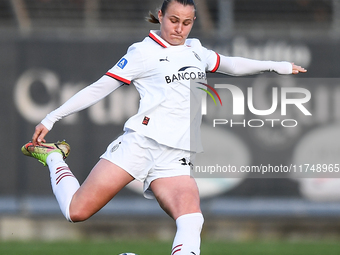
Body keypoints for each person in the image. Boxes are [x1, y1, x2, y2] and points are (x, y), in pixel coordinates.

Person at [21, 0, 306, 254]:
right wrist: (52, 117)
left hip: (177, 155)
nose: (179, 29)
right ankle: (54, 157)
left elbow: (231, 64)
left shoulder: (196, 50)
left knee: (192, 218)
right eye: (173, 20)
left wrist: (276, 65)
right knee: (76, 212)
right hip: (140, 145)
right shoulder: (143, 52)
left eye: (187, 22)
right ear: (160, 15)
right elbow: (99, 88)